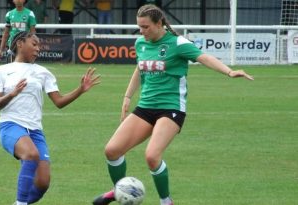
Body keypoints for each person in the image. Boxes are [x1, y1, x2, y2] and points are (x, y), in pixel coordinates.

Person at [92, 4, 253, 205]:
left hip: (171, 109)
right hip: (146, 107)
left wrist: (229, 71)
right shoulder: (140, 43)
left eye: (145, 26)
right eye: (139, 27)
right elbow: (141, 68)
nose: (141, 31)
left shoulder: (178, 43)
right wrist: (127, 96)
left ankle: (166, 201)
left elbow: (205, 58)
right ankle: (119, 191)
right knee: (112, 150)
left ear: (159, 24)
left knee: (152, 156)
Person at [0, 31, 100, 205]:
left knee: (43, 183)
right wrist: (12, 94)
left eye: (39, 46)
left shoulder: (43, 72)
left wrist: (80, 90)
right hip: (10, 125)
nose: (38, 49)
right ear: (20, 44)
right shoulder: (2, 71)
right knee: (31, 154)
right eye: (34, 44)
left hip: (35, 130)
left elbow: (59, 101)